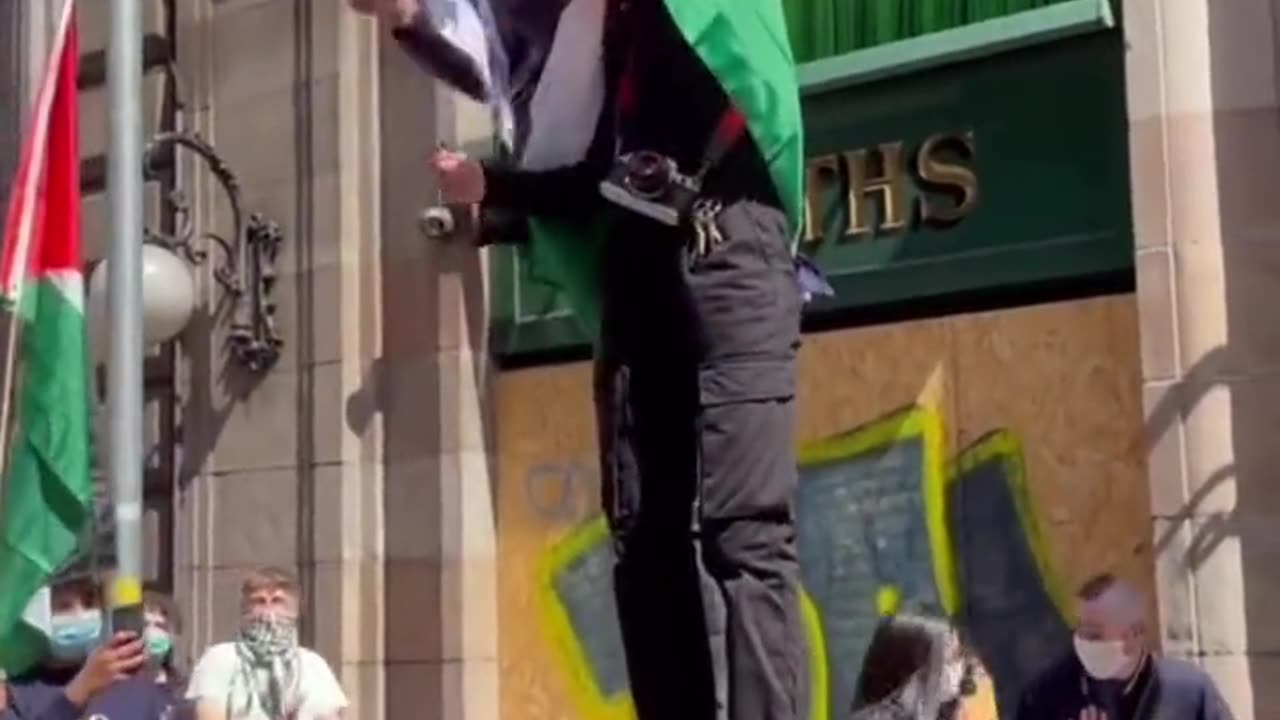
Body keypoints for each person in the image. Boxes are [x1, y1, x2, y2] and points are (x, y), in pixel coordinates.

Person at [352, 0, 810, 716]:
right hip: (637, 273)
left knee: (743, 532)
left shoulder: (697, 20)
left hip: (732, 250)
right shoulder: (601, 40)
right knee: (645, 539)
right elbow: (589, 172)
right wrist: (494, 187)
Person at [1015, 573, 1234, 720]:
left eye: (1094, 634)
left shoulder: (1188, 691)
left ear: (1135, 635)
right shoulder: (1046, 694)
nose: (1082, 641)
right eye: (1079, 629)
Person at [2, 571, 172, 720]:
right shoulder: (18, 696)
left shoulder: (134, 687)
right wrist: (77, 693)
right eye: (64, 607)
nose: (80, 615)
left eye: (89, 603)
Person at [186, 567, 346, 720]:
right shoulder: (220, 658)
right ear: (245, 609)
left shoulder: (313, 665)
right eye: (259, 602)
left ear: (295, 610)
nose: (268, 611)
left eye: (277, 601)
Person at [848, 614, 980, 720]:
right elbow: (931, 694)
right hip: (891, 696)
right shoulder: (938, 639)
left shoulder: (963, 667)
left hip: (905, 703)